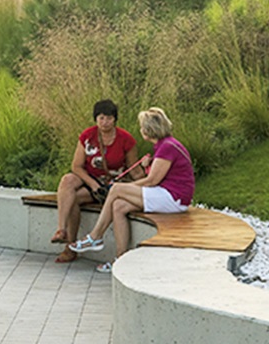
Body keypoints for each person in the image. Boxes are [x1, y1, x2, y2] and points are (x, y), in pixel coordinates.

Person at [75, 107, 196, 272]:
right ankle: (120, 259)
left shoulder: (167, 147)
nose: (141, 130)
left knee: (116, 190)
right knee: (118, 206)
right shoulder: (165, 145)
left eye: (142, 127)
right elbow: (158, 176)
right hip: (167, 195)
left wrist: (122, 187)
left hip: (173, 198)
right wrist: (148, 166)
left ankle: (96, 236)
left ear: (148, 130)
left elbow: (152, 181)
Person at [50, 100, 141, 264]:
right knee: (68, 180)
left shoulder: (126, 139)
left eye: (109, 118)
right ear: (95, 119)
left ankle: (71, 247)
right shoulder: (87, 136)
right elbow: (76, 166)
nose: (105, 122)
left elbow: (134, 170)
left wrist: (148, 185)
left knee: (73, 199)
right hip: (91, 181)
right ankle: (62, 231)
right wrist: (93, 185)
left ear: (115, 119)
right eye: (101, 118)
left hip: (112, 186)